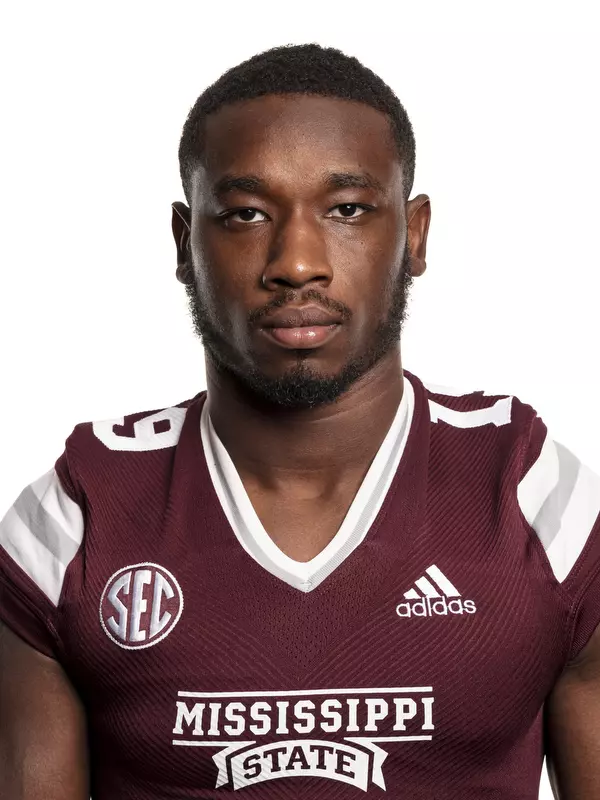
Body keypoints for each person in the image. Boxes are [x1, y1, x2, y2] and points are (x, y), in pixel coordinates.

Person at [1, 42, 599, 800]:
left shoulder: (538, 503)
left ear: (414, 235)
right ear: (185, 242)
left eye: (347, 210)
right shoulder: (74, 522)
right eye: (246, 213)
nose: (297, 261)